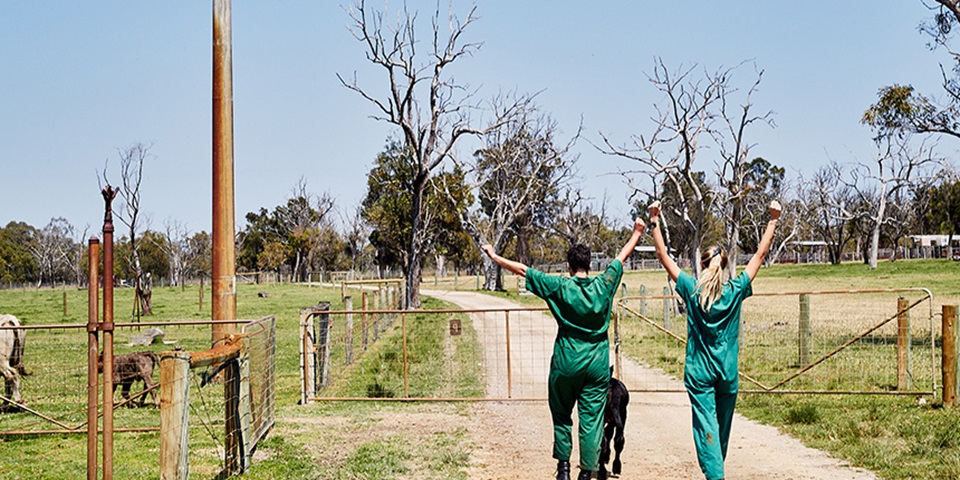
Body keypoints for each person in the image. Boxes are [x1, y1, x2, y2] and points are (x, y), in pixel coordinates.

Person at [481, 217, 645, 480]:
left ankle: (563, 469)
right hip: (596, 364)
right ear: (589, 266)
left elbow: (523, 271)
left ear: (568, 267)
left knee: (561, 414)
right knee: (591, 420)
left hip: (566, 360)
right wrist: (637, 231)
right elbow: (622, 256)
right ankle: (586, 472)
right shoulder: (604, 284)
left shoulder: (559, 286)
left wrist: (495, 256)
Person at [647, 199, 781, 480]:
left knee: (706, 427)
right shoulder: (735, 290)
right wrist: (772, 220)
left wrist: (655, 220)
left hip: (700, 373)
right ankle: (715, 472)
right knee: (720, 431)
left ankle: (715, 476)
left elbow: (663, 256)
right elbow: (759, 255)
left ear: (702, 263)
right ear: (723, 265)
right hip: (727, 372)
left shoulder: (692, 290)